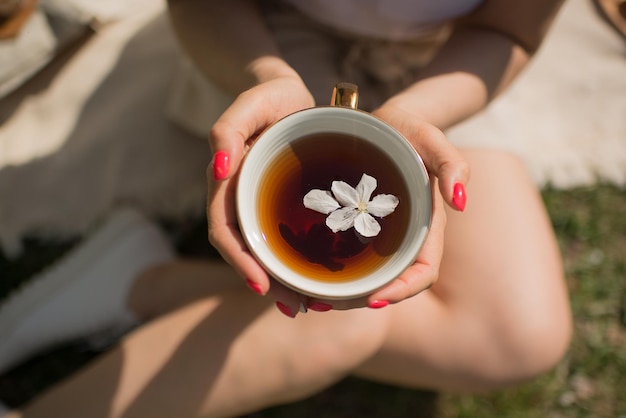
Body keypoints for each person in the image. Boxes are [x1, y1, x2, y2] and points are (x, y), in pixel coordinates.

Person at [0, 0, 573, 416]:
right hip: (265, 37)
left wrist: (416, 114)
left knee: (519, 340)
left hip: (448, 67)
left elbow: (509, 28)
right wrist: (267, 78)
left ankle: (147, 281)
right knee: (337, 323)